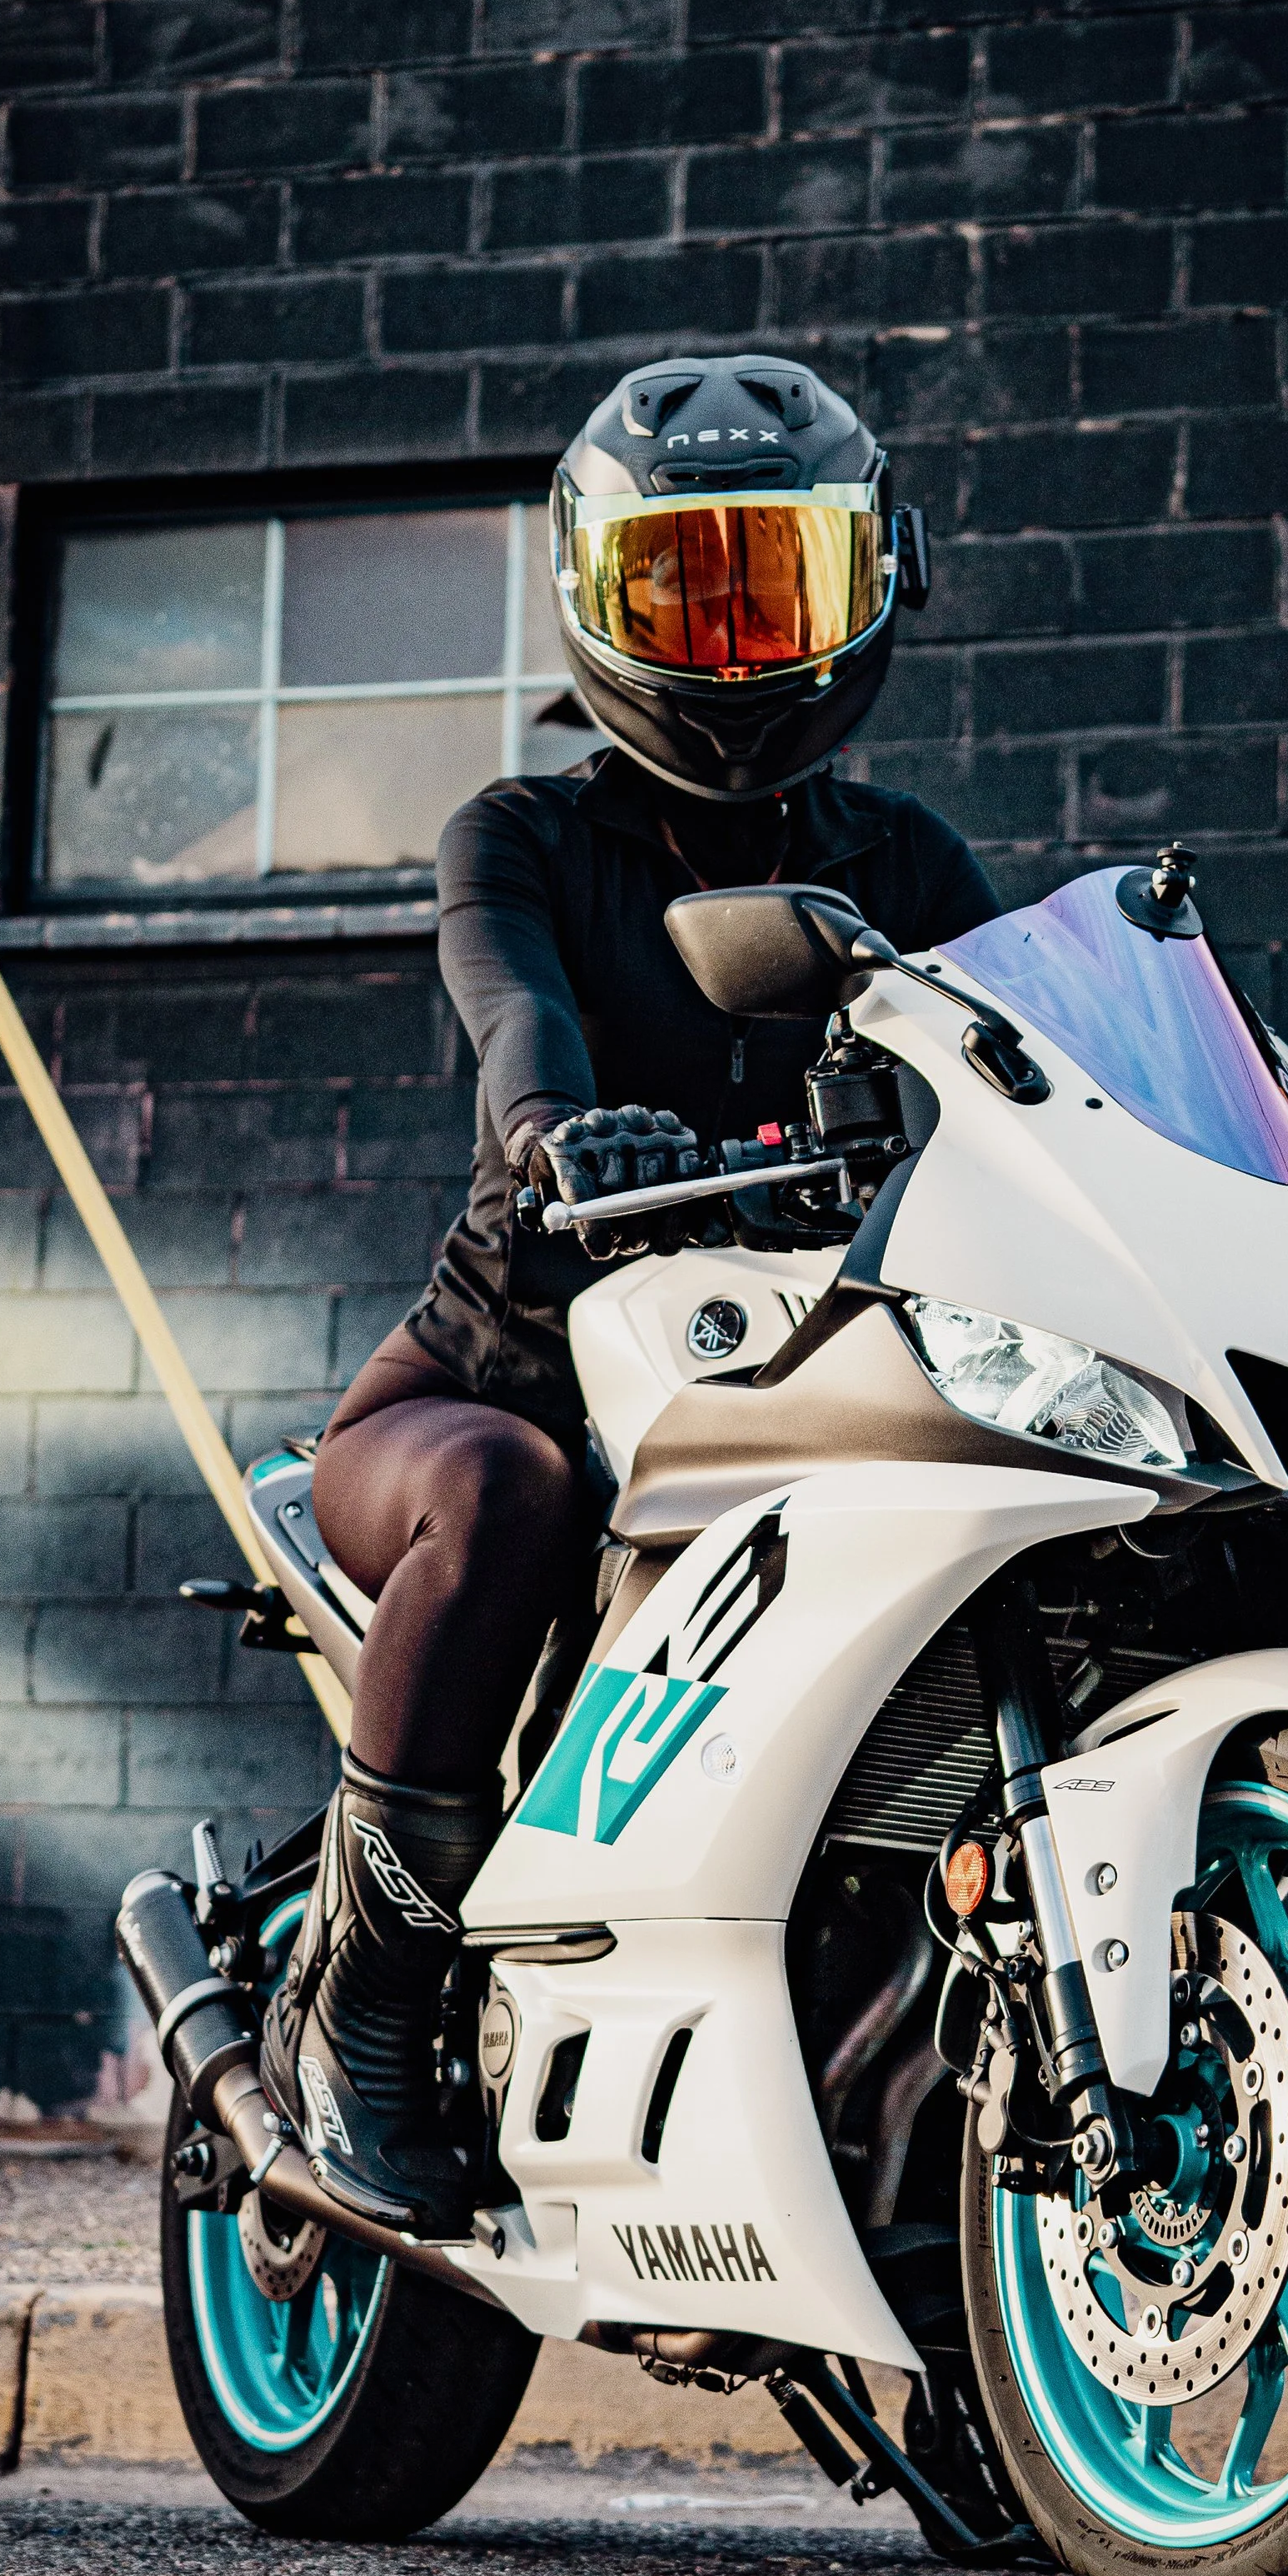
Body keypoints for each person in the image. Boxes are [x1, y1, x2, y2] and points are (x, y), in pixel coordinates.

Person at [263, 353, 999, 2233]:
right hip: (488, 1387)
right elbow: (516, 1010)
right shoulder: (518, 837)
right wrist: (554, 1133)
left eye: (779, 584)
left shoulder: (907, 865)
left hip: (778, 1393)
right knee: (511, 1492)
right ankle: (367, 2001)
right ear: (595, 601)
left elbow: (1031, 1053)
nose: (735, 643)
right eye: (684, 591)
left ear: (881, 577)